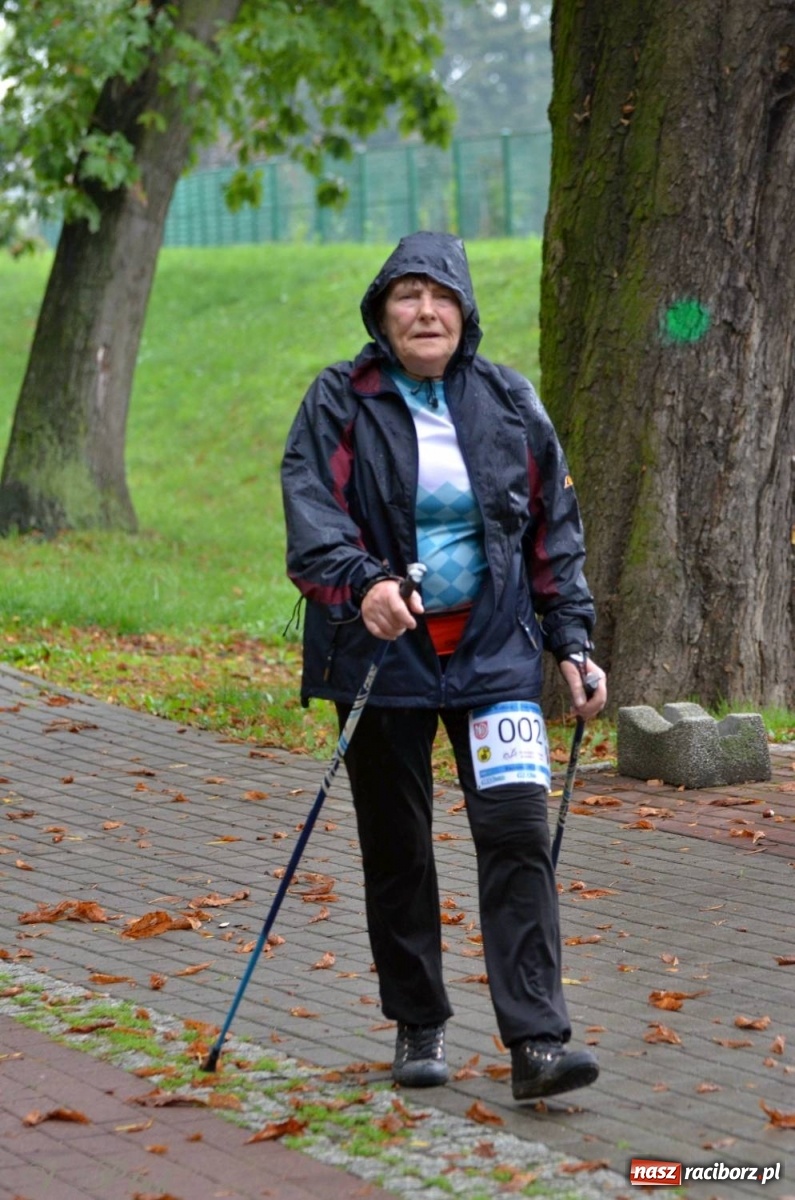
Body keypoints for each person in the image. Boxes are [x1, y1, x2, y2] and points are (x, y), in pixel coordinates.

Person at [281, 231, 607, 1101]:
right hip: (381, 656)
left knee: (515, 837)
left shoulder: (507, 400)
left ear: (464, 313)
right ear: (381, 313)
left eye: (441, 296)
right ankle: (416, 1022)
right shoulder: (340, 401)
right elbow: (312, 514)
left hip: (495, 655)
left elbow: (550, 530)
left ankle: (537, 1040)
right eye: (406, 296)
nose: (425, 311)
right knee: (398, 845)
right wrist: (362, 586)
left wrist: (571, 639)